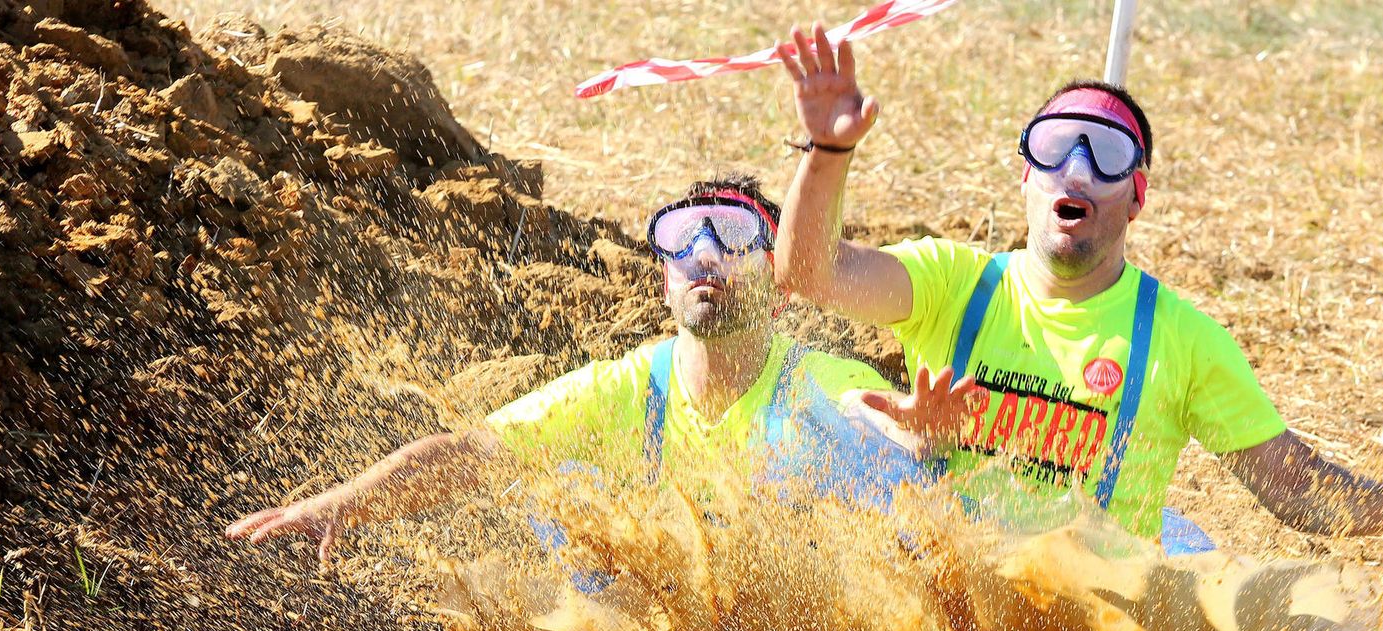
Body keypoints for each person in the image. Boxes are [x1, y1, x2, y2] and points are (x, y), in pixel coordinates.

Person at [772, 25, 1383, 543]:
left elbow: (1291, 485)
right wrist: (829, 150)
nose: (1077, 170)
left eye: (1106, 156)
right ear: (1025, 179)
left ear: (1139, 195)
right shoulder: (952, 285)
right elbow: (806, 273)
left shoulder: (1183, 341)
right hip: (950, 600)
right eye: (1056, 148)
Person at [226, 174, 916, 561]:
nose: (705, 252)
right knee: (565, 506)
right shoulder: (627, 389)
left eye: (734, 236)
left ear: (781, 285)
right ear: (665, 284)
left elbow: (888, 431)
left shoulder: (816, 384)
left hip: (799, 626)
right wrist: (343, 503)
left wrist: (921, 435)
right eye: (683, 239)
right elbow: (469, 455)